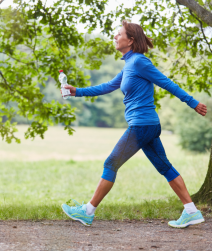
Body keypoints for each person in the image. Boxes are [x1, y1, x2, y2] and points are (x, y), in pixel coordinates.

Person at [61, 20, 207, 228]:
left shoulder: (139, 62)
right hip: (147, 126)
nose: (115, 37)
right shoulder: (129, 65)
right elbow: (108, 86)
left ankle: (88, 211)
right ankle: (191, 211)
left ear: (130, 40)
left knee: (111, 163)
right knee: (164, 167)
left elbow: (166, 82)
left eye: (119, 34)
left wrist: (192, 102)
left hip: (141, 125)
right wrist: (77, 91)